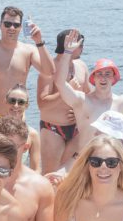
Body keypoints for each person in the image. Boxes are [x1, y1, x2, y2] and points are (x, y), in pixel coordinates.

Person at [54, 30, 123, 154]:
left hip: (114, 162)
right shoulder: (82, 101)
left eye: (107, 74)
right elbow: (60, 83)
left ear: (113, 78)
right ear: (93, 78)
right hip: (87, 160)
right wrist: (67, 52)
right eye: (99, 74)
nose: (103, 78)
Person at [0, 6, 54, 123]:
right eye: (7, 24)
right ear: (0, 25)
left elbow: (49, 72)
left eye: (16, 25)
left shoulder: (29, 51)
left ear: (21, 27)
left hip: (18, 120)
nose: (11, 28)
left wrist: (39, 41)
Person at [37, 29, 90, 173]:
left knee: (75, 173)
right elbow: (42, 104)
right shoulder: (49, 69)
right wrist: (65, 90)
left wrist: (81, 111)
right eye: (80, 44)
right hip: (53, 128)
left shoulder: (81, 66)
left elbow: (89, 97)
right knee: (51, 174)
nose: (82, 47)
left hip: (77, 128)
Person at [0, 84, 40, 171]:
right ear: (5, 101)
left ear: (27, 105)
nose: (16, 105)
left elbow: (36, 169)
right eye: (12, 101)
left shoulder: (32, 134)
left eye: (21, 102)